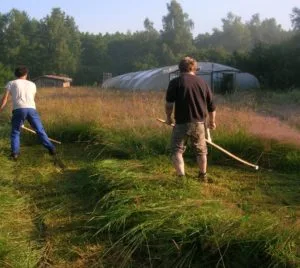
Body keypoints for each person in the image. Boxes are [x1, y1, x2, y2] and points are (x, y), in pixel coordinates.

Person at [165, 57, 216, 182]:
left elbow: (169, 104)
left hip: (181, 123)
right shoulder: (202, 83)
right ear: (193, 68)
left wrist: (168, 118)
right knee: (201, 151)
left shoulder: (175, 82)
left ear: (180, 68)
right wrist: (212, 122)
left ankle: (181, 178)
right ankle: (203, 175)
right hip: (199, 123)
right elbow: (212, 106)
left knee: (177, 150)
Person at [0, 66, 56, 160]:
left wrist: (0, 109)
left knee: (15, 132)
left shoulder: (11, 83)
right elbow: (32, 98)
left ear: (15, 74)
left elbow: (4, 99)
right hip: (31, 109)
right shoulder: (32, 84)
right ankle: (51, 148)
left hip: (18, 110)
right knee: (40, 130)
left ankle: (15, 153)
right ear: (26, 74)